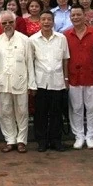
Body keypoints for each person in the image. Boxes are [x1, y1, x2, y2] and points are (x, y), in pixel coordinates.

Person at [0, 10, 36, 153]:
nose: (7, 25)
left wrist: (32, 84)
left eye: (10, 22)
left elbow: (30, 62)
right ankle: (10, 140)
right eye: (4, 23)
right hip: (3, 82)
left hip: (21, 81)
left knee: (22, 112)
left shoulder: (25, 39)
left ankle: (21, 140)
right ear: (0, 24)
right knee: (5, 112)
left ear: (15, 22)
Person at [30, 10, 70, 152]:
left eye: (49, 19)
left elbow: (65, 60)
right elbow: (30, 63)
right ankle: (41, 141)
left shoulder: (61, 38)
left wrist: (66, 79)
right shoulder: (33, 40)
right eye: (43, 19)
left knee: (56, 113)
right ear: (39, 22)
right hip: (40, 82)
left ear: (53, 21)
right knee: (40, 114)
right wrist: (32, 83)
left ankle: (56, 140)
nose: (46, 22)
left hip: (57, 81)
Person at [65, 4, 93, 150]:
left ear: (84, 16)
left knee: (92, 107)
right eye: (73, 15)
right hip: (74, 77)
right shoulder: (66, 34)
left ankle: (91, 136)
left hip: (91, 76)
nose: (76, 17)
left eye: (78, 14)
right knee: (76, 108)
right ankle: (79, 136)